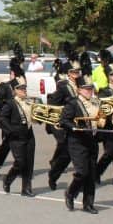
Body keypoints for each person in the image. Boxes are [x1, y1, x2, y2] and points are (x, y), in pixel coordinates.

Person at [61, 74, 100, 213]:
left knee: (91, 174)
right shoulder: (73, 103)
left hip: (92, 141)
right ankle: (70, 193)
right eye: (86, 89)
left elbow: (100, 119)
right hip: (77, 142)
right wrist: (74, 127)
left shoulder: (96, 102)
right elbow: (64, 120)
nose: (89, 91)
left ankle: (88, 204)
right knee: (82, 172)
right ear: (78, 90)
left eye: (91, 88)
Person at [46, 60, 80, 191]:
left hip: (82, 123)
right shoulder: (63, 86)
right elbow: (53, 103)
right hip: (68, 123)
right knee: (66, 155)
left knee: (83, 154)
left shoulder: (82, 84)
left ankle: (83, 180)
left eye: (78, 71)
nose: (76, 74)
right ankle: (53, 175)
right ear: (69, 74)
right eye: (74, 72)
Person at [0, 82, 36, 197]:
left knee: (29, 163)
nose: (23, 90)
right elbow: (2, 118)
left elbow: (35, 117)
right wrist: (10, 130)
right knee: (20, 162)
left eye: (24, 88)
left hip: (29, 135)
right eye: (20, 89)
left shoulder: (30, 102)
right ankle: (8, 179)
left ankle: (26, 188)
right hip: (16, 137)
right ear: (15, 91)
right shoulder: (10, 103)